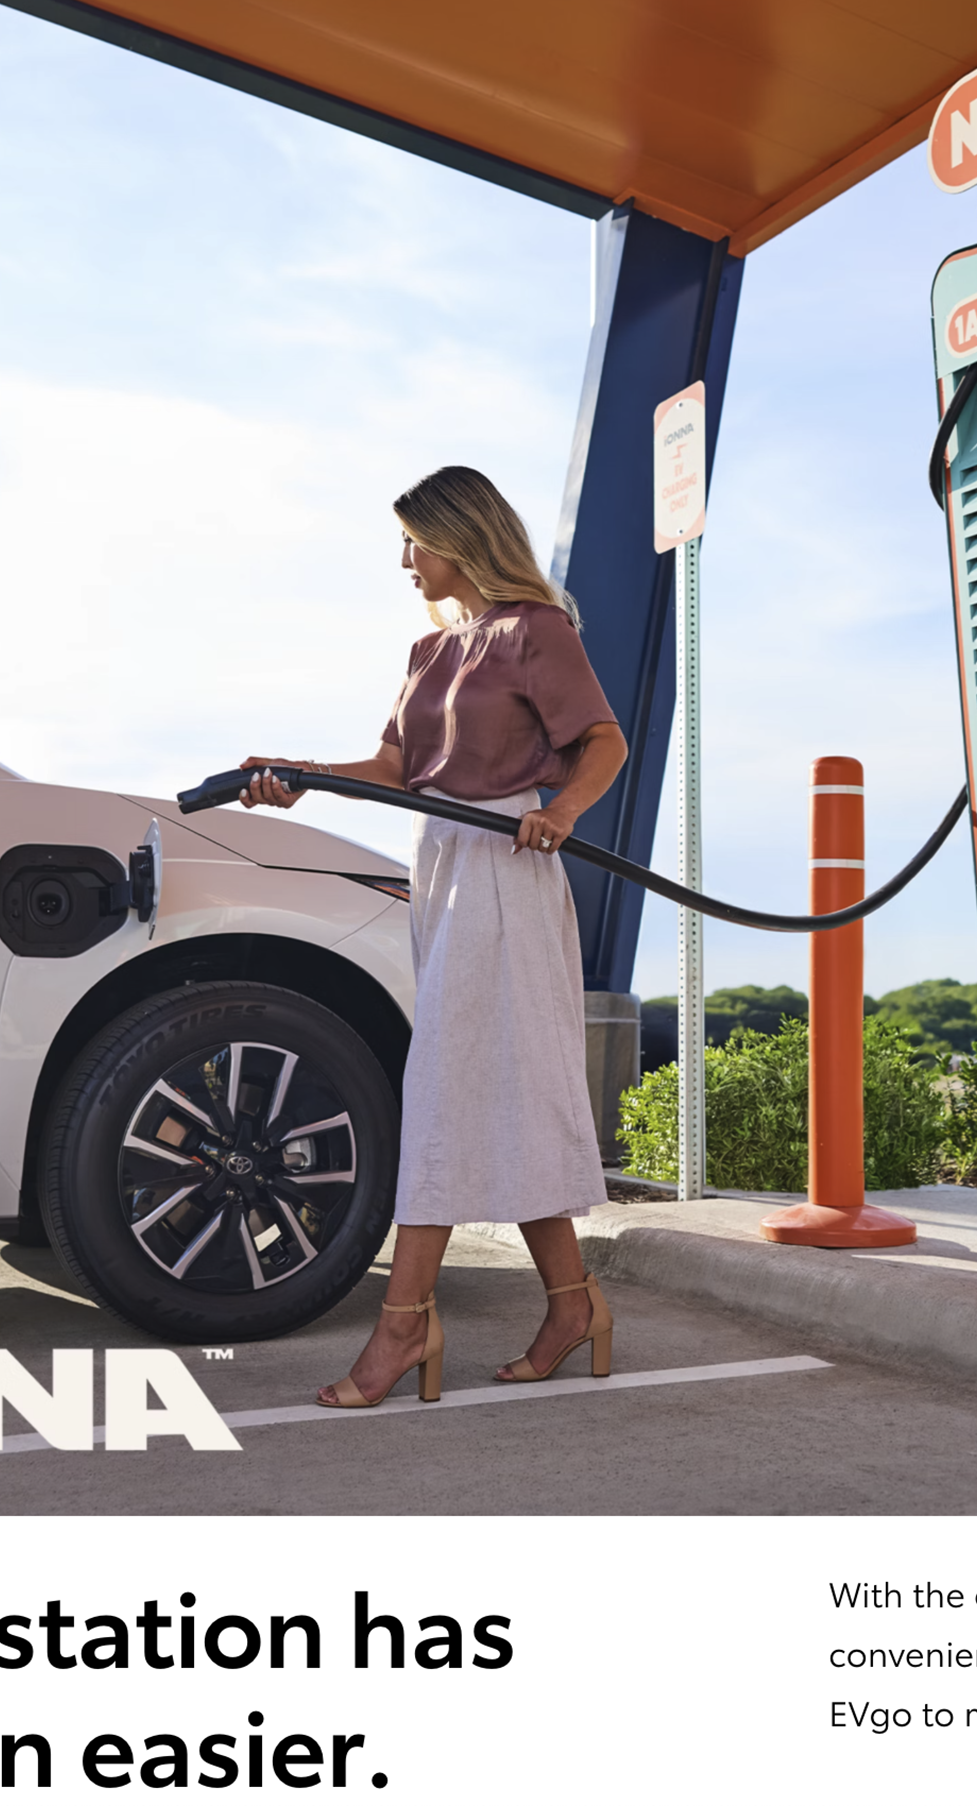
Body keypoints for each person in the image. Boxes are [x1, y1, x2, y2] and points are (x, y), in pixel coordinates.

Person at [239, 464, 629, 1407]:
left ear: (463, 537)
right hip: (443, 869)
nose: (405, 559)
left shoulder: (537, 632)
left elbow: (604, 740)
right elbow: (393, 766)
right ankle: (573, 1305)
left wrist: (564, 811)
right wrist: (301, 772)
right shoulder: (428, 653)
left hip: (508, 869)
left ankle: (404, 1326)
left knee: (446, 1092)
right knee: (501, 1091)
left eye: (416, 539)